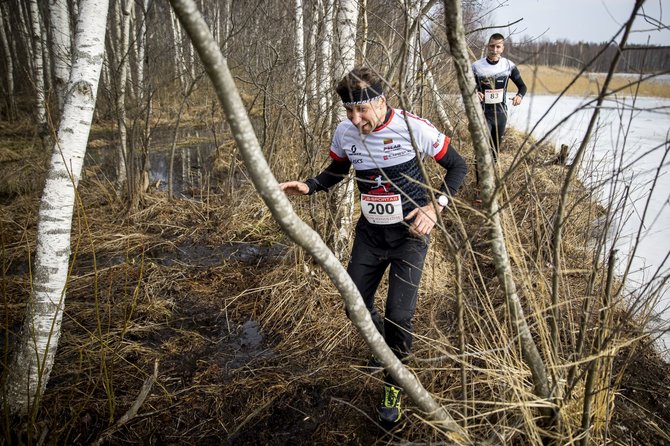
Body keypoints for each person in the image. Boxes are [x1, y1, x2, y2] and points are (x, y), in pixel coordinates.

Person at [279, 67, 467, 425]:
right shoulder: (346, 132)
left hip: (410, 237)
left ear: (381, 101)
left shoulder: (414, 128)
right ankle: (389, 353)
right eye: (349, 111)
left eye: (362, 109)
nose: (355, 118)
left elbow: (458, 167)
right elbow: (336, 171)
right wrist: (310, 185)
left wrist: (435, 207)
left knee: (400, 316)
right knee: (355, 308)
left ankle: (393, 384)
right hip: (370, 235)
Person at [472, 33, 527, 165]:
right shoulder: (476, 66)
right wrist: (474, 92)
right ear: (487, 46)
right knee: (482, 149)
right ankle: (479, 183)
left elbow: (522, 87)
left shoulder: (508, 65)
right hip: (483, 114)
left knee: (495, 151)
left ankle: (490, 183)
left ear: (502, 48)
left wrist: (519, 97)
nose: (494, 50)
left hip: (501, 114)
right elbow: (466, 87)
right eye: (492, 46)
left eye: (498, 46)